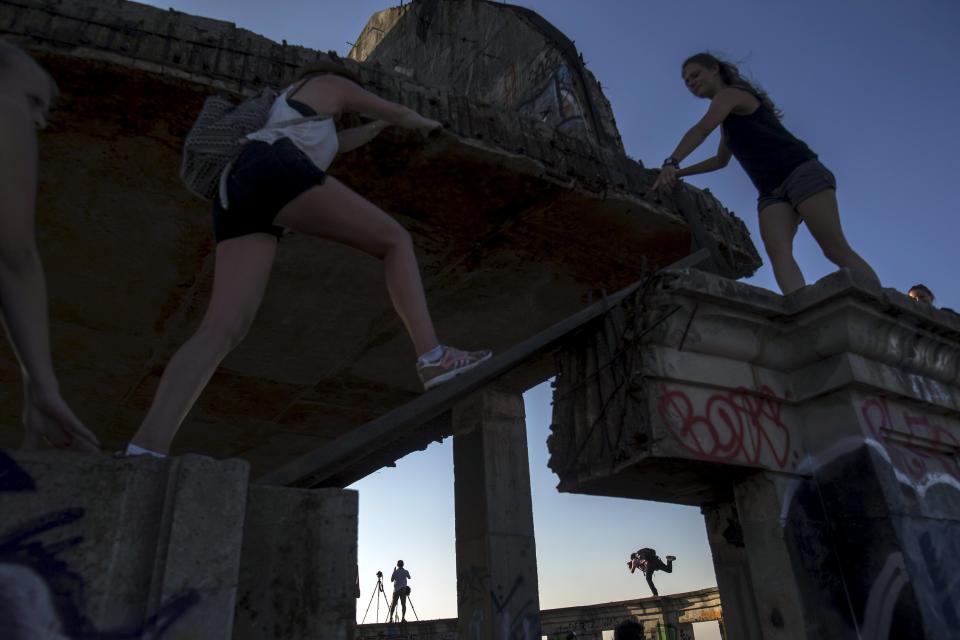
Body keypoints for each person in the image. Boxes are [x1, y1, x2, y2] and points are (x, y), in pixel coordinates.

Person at [125, 60, 491, 457]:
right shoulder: (331, 82)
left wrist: (377, 128)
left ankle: (144, 450)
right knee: (395, 240)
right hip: (272, 166)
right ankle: (432, 357)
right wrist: (423, 123)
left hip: (237, 189)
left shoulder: (297, 111)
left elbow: (347, 138)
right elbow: (399, 112)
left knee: (223, 329)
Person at [653, 52, 880, 295]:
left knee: (833, 248)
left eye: (695, 75)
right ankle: (800, 306)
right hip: (771, 191)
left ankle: (884, 305)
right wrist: (679, 173)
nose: (691, 82)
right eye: (686, 81)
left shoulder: (730, 95)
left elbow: (701, 129)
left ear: (715, 70)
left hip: (800, 171)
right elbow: (720, 161)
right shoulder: (727, 121)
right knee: (778, 250)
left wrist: (671, 162)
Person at [0, 40, 100, 453]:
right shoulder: (5, 109)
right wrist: (43, 387)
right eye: (34, 100)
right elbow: (13, 255)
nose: (39, 121)